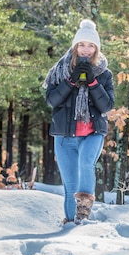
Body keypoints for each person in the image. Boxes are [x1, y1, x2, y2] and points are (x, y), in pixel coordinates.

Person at [43, 19, 114, 224]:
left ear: (96, 48)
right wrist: (71, 82)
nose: (86, 49)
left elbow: (107, 106)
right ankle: (70, 224)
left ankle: (83, 216)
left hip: (92, 134)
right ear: (75, 46)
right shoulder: (60, 71)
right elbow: (52, 100)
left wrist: (92, 82)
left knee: (85, 164)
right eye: (82, 44)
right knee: (70, 185)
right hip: (65, 137)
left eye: (91, 45)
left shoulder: (104, 74)